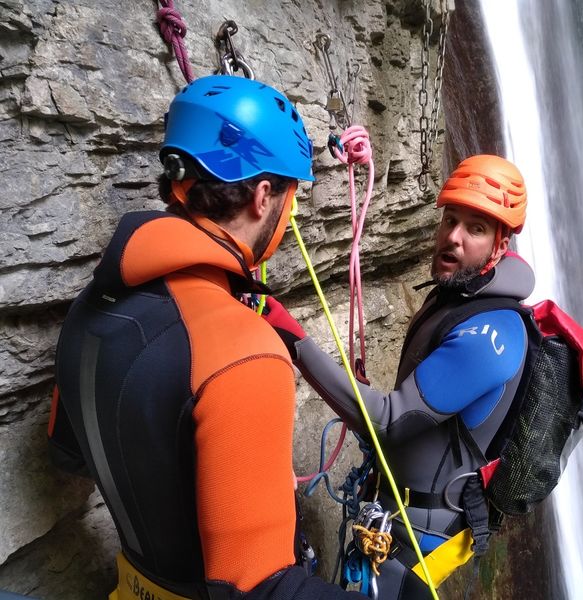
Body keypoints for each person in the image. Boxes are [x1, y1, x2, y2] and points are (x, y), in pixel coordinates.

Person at [47, 74, 366, 600]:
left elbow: (69, 453)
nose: (290, 217)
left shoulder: (90, 303)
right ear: (264, 196)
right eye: (291, 198)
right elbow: (262, 591)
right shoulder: (244, 352)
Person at [265, 154, 532, 598]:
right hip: (398, 514)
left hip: (420, 539)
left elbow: (389, 421)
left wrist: (293, 339)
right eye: (450, 219)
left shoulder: (491, 335)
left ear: (501, 245)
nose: (454, 237)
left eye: (476, 228)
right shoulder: (454, 299)